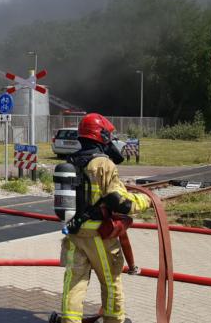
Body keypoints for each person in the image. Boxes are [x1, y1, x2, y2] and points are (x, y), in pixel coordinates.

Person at [53, 113, 151, 323]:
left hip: (74, 232)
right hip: (100, 235)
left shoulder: (71, 161)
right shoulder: (104, 164)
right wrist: (146, 201)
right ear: (102, 135)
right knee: (110, 280)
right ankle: (114, 320)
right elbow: (120, 202)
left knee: (74, 282)